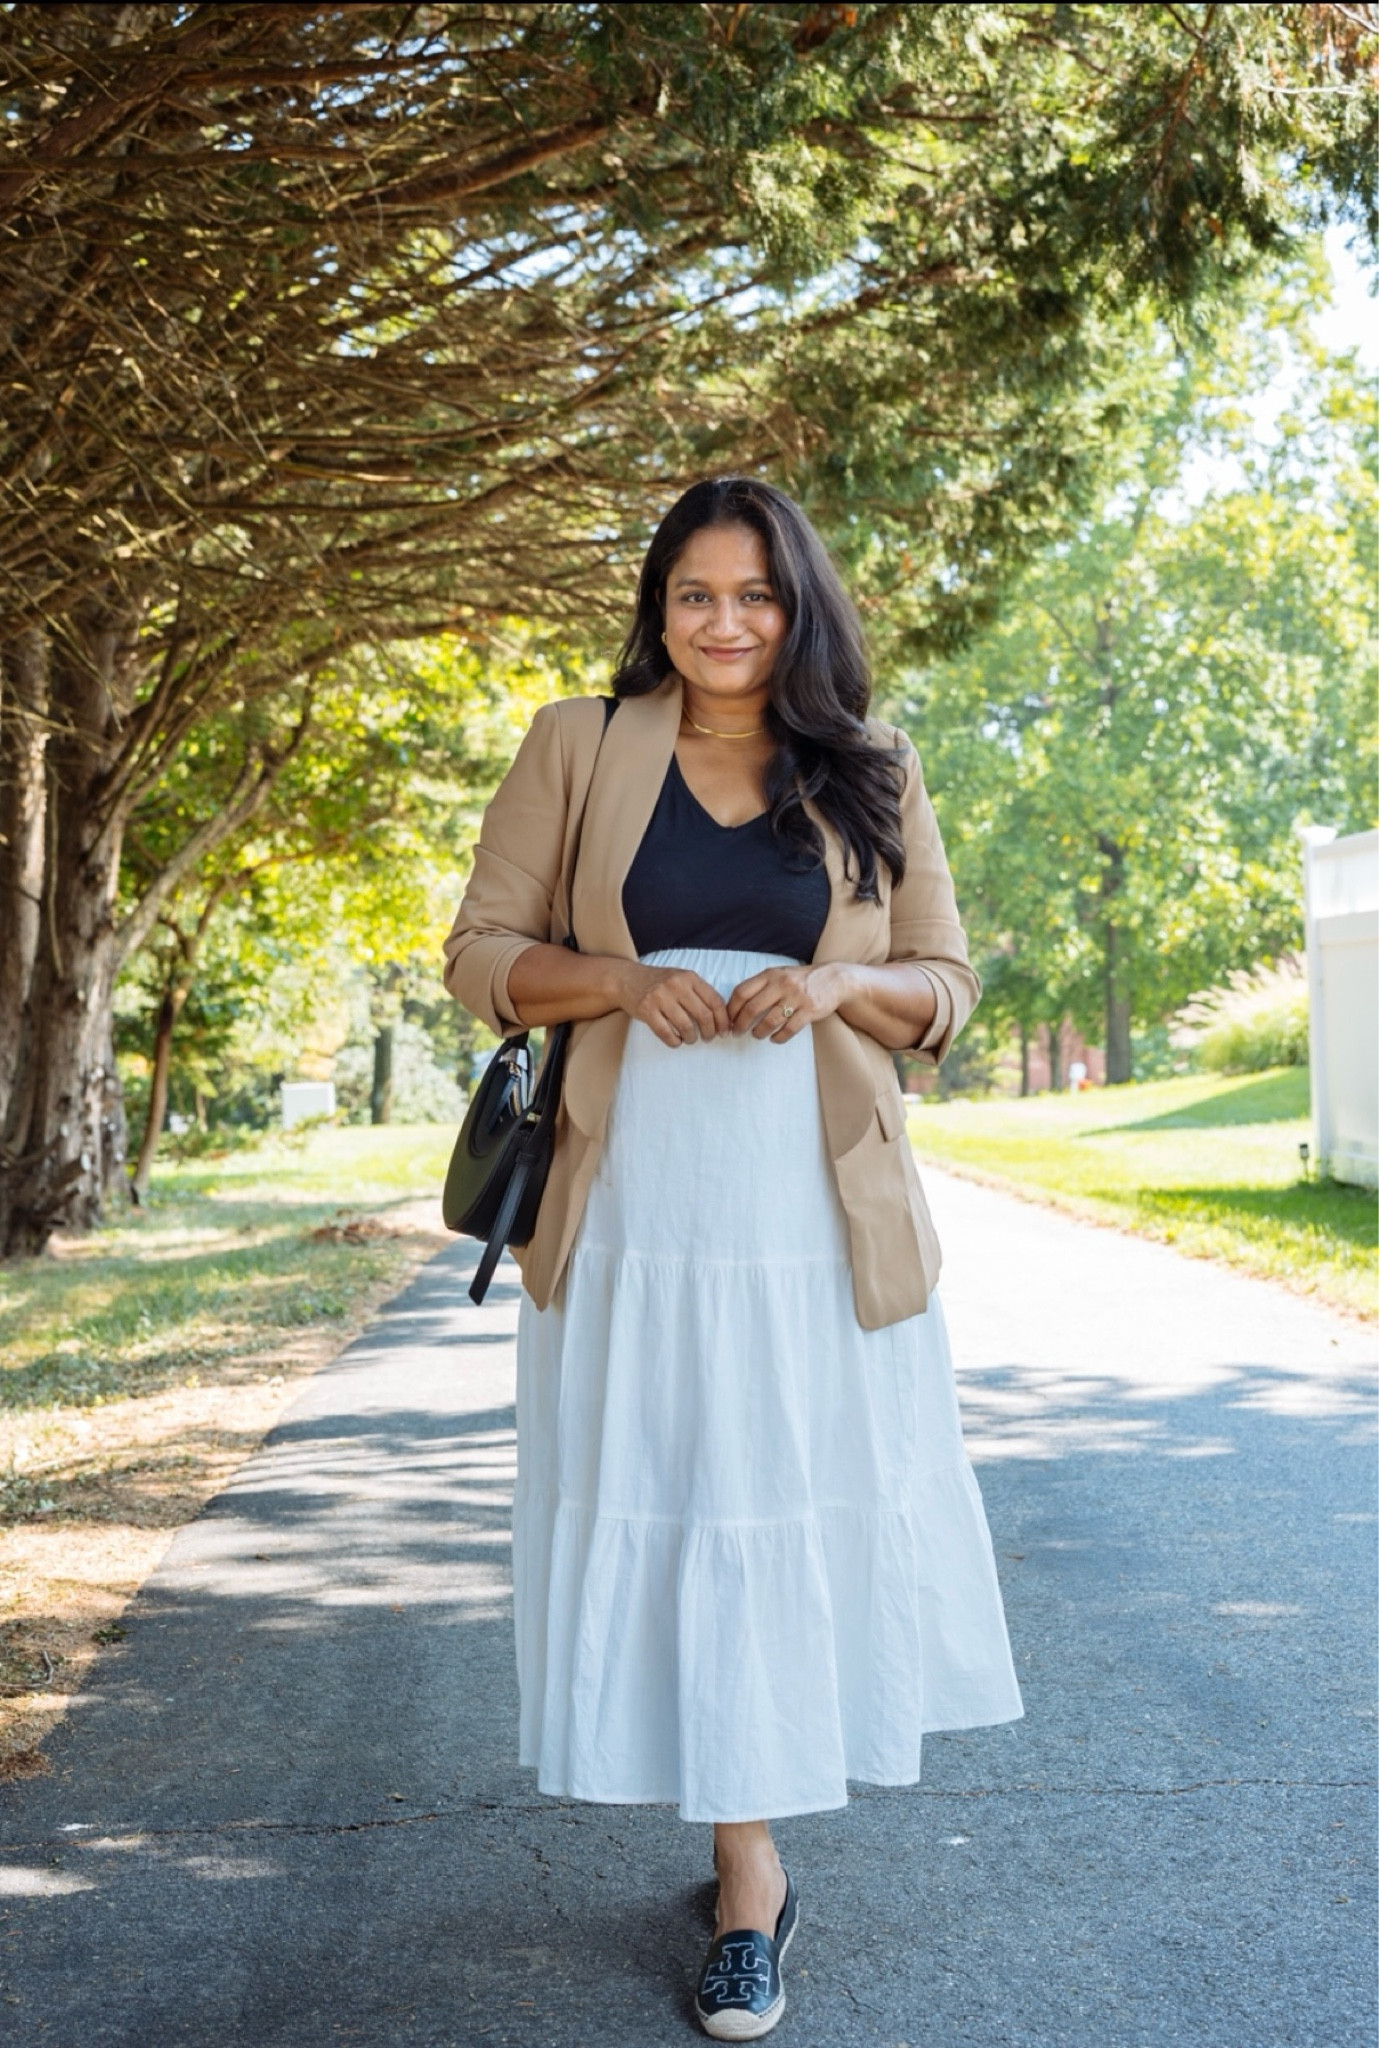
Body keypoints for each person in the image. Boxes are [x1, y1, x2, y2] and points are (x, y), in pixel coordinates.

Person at [443, 477, 1022, 2040]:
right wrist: (619, 985)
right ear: (660, 604)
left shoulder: (873, 764)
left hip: (813, 1216)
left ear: (798, 605)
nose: (724, 624)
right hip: (635, 1213)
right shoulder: (580, 742)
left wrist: (843, 995)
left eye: (754, 595)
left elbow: (946, 982)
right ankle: (739, 1855)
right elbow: (480, 956)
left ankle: (751, 1881)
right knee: (686, 1496)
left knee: (781, 1506)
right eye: (695, 594)